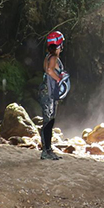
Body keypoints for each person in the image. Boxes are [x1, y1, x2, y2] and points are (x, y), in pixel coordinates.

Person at [39, 30, 68, 160]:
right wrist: (59, 79)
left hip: (47, 92)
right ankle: (46, 151)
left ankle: (48, 150)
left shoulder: (48, 56)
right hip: (49, 93)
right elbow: (50, 70)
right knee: (48, 122)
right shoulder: (54, 58)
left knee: (48, 121)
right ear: (59, 44)